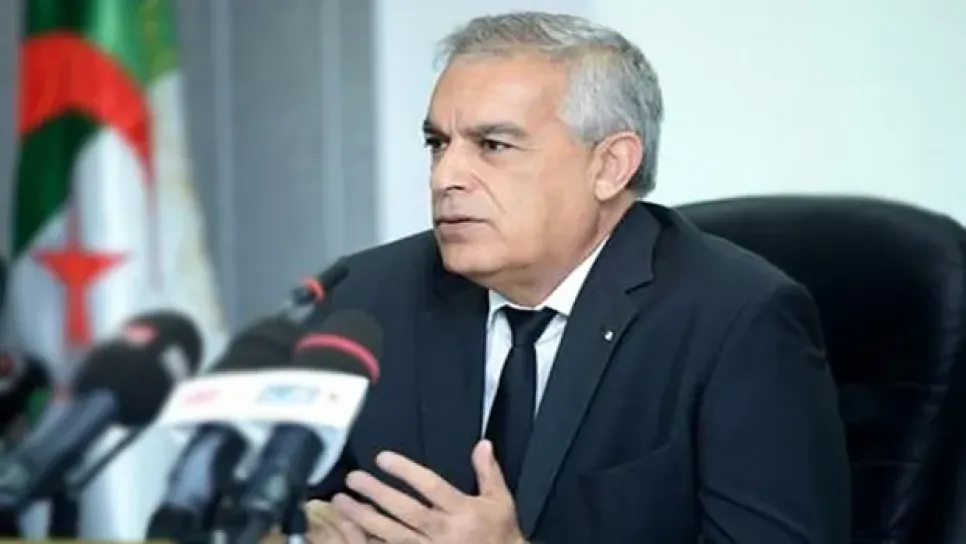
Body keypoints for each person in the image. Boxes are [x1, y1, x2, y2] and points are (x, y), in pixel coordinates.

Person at [300, 11, 850, 544]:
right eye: (438, 144)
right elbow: (280, 501)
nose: (445, 176)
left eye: (493, 145)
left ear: (609, 166)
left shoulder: (738, 322)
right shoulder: (364, 297)